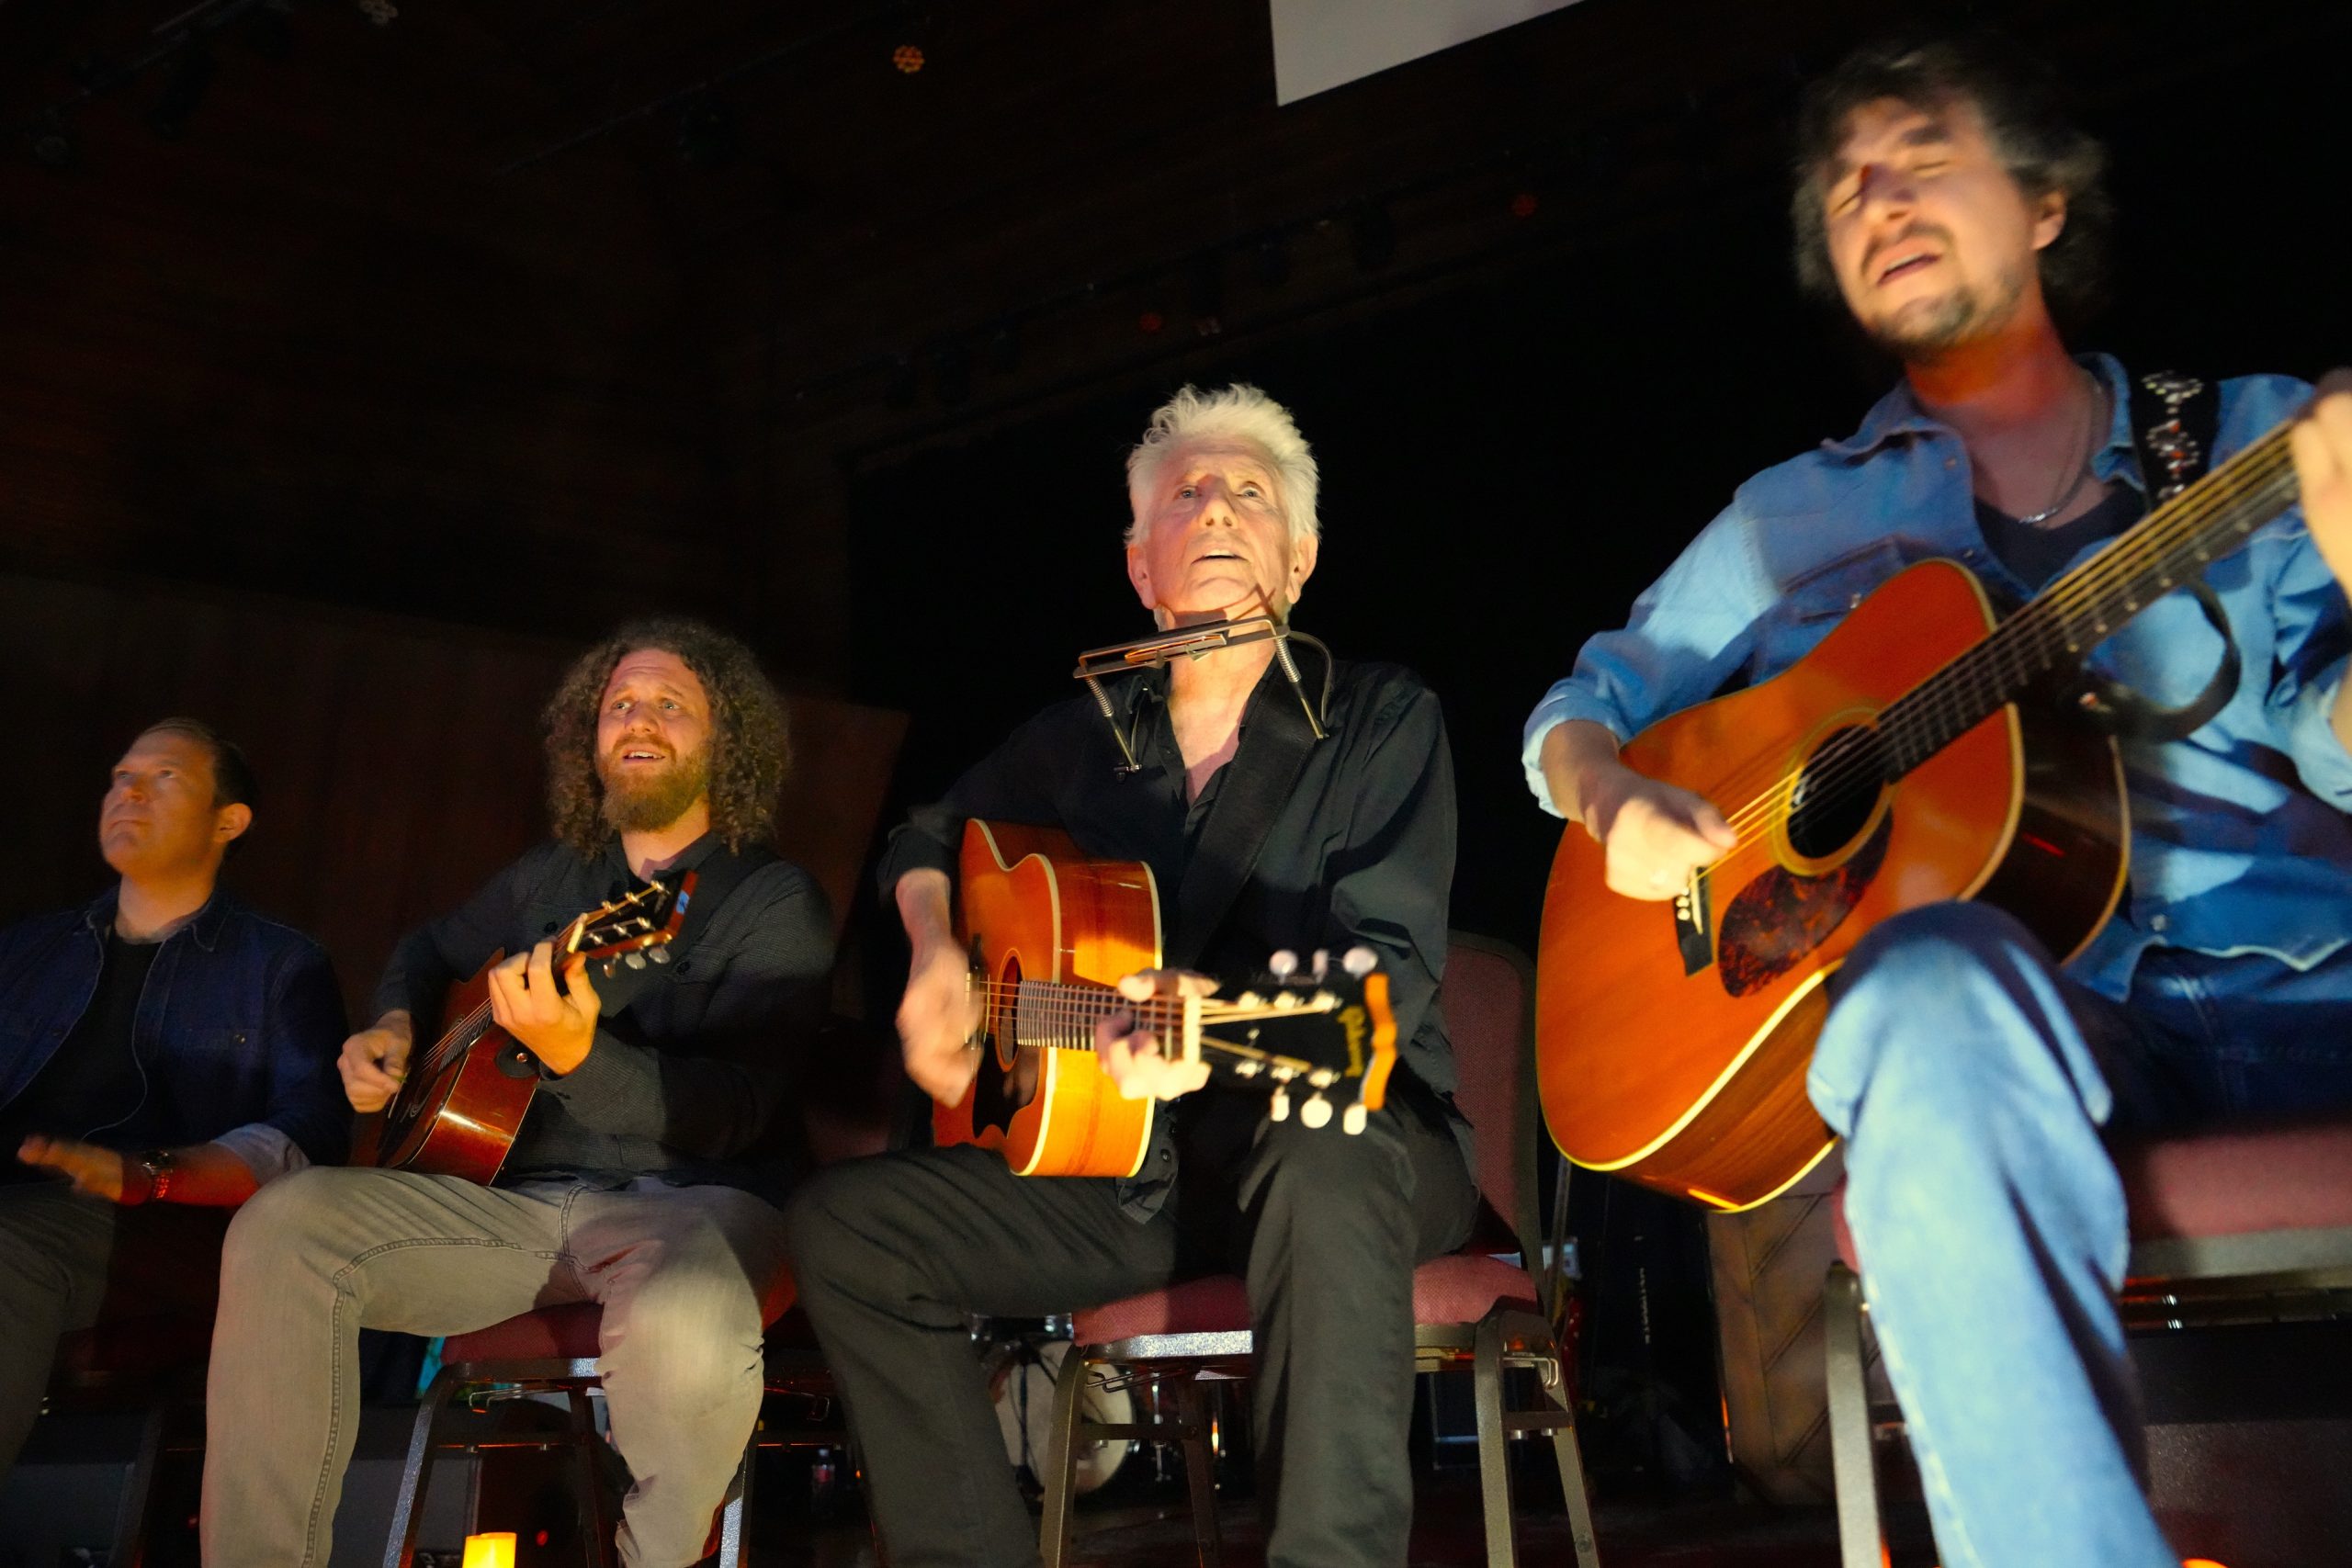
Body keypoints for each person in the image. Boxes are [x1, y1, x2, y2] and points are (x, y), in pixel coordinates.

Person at [1521, 35, 2352, 1568]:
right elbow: (1587, 705)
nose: (1876, 197)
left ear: (2044, 201)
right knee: (1909, 1000)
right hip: (2033, 1016)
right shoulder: (1794, 519)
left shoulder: (2257, 439)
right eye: (1844, 191)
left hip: (2316, 978)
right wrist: (1609, 796)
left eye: (1920, 156)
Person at [787, 384, 1476, 1568]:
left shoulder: (1377, 719)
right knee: (847, 1228)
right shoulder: (1077, 743)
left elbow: (1389, 976)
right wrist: (939, 952)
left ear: (1299, 557)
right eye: (1184, 496)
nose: (1214, 511)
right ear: (1139, 565)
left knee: (1322, 1156)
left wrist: (1215, 1017)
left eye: (1248, 495)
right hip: (1137, 1181)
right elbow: (923, 837)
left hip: (1352, 1141)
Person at [201, 619, 834, 1567]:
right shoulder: (554, 875)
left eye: (671, 704)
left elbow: (738, 1112)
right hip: (511, 1212)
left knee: (685, 1311)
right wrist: (395, 1027)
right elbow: (426, 950)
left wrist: (581, 1058)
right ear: (591, 737)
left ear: (726, 742)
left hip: (697, 1207)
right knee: (284, 1225)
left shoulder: (771, 901)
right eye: (620, 703)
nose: (639, 721)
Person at [0, 717, 346, 1473]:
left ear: (229, 821)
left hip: (153, 1228)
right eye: (121, 775)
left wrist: (154, 1172)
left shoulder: (278, 964)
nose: (128, 791)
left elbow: (310, 1135)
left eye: (165, 778)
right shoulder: (31, 947)